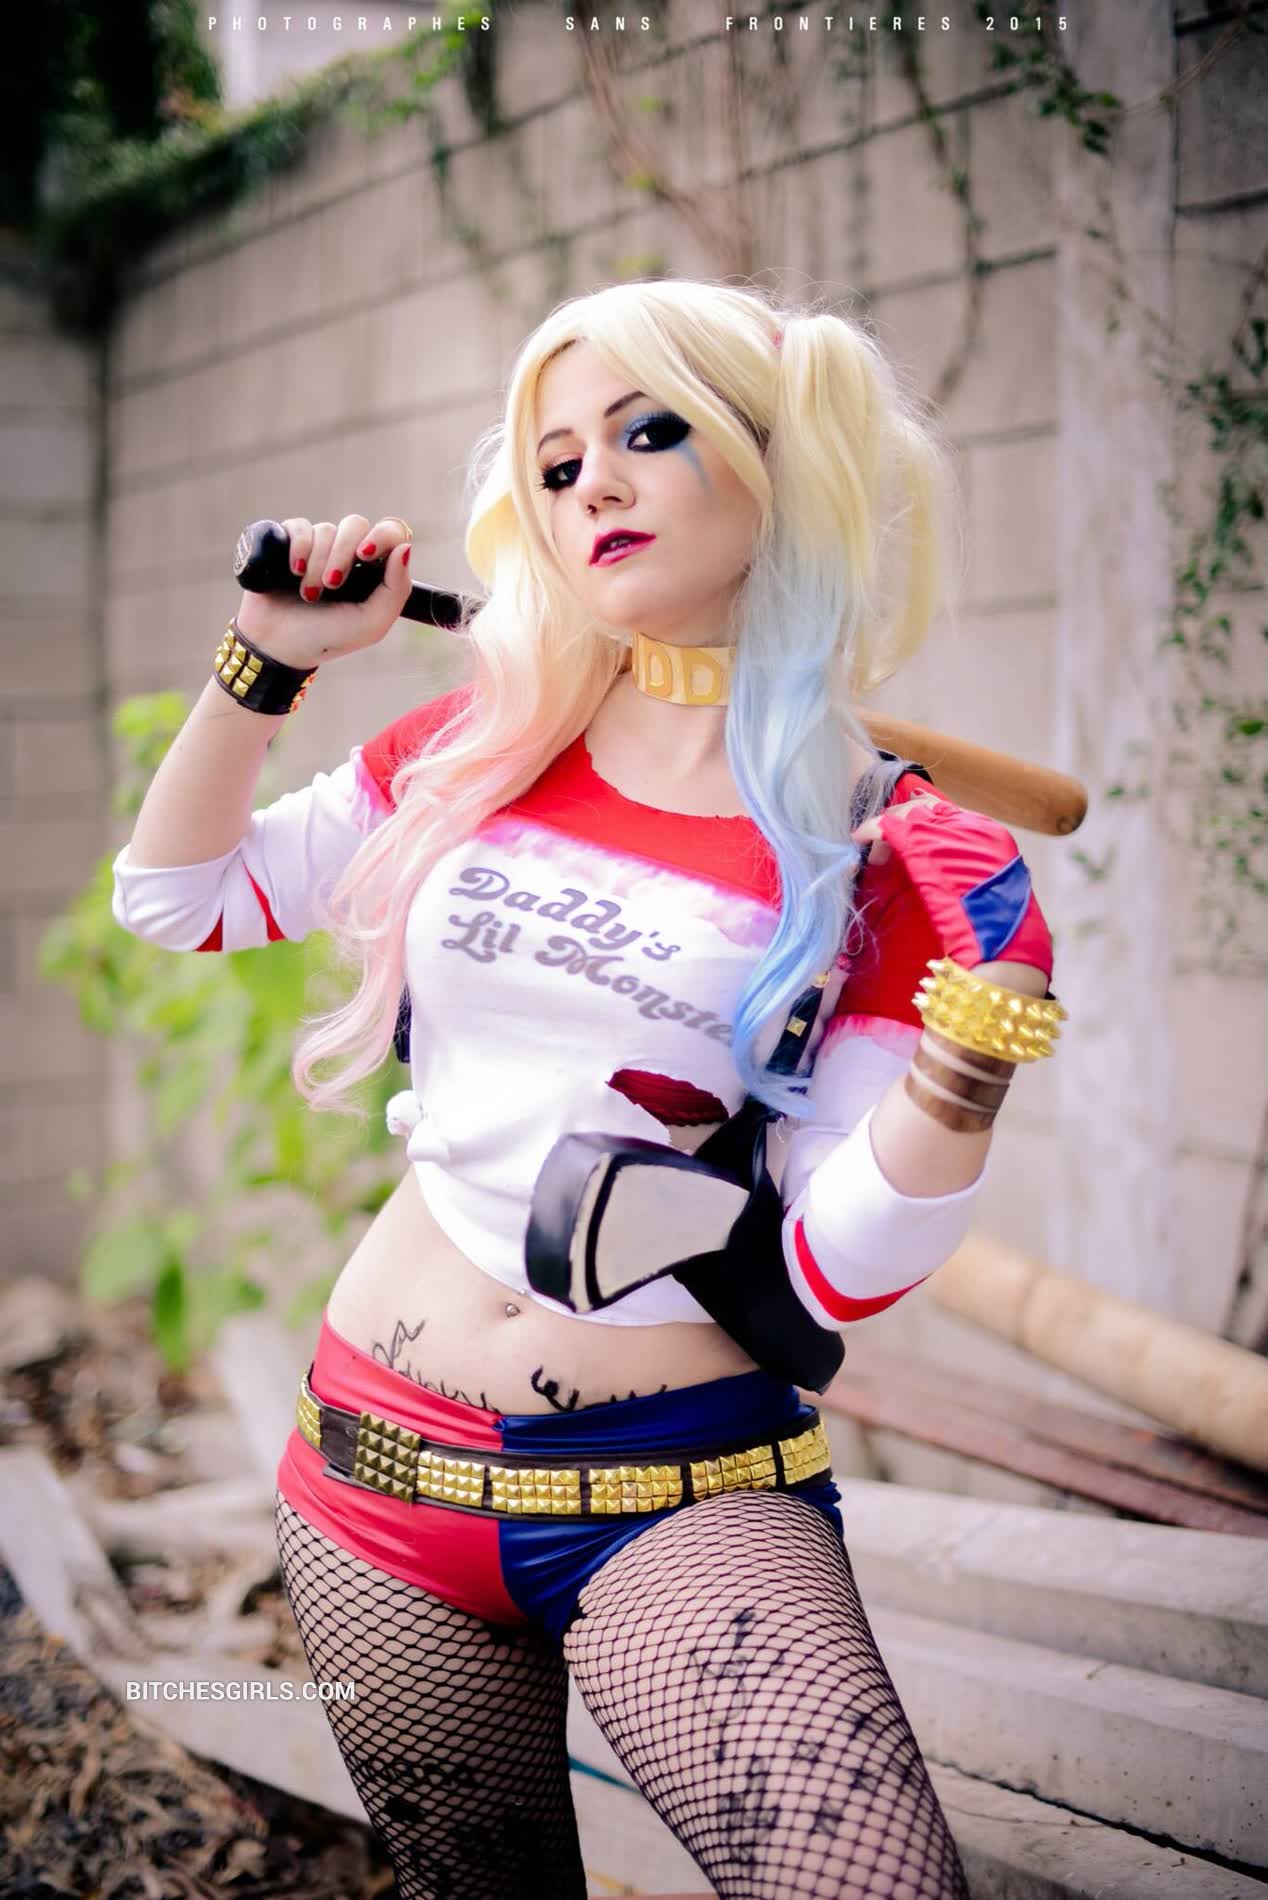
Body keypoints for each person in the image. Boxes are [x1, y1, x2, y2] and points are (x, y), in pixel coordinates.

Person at [112, 279, 1063, 1900]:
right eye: (554, 466)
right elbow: (178, 900)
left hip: (676, 1499)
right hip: (373, 1481)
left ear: (778, 463)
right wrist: (265, 662)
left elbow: (837, 1270)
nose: (592, 484)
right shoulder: (480, 752)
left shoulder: (882, 852)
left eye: (647, 432)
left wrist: (966, 1062)